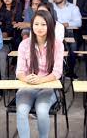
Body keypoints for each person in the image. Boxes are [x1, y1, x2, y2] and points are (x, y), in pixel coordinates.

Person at [16, 10, 64, 138]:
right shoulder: (24, 45)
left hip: (47, 87)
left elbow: (57, 72)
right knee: (21, 111)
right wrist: (27, 79)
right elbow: (19, 71)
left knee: (42, 111)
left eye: (43, 24)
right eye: (36, 24)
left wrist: (40, 80)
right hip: (27, 86)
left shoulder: (57, 44)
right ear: (31, 26)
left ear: (50, 26)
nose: (40, 28)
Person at [52, 0, 82, 78]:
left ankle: (70, 71)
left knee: (72, 45)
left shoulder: (73, 8)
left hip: (69, 33)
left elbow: (78, 22)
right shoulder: (51, 8)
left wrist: (64, 24)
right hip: (54, 34)